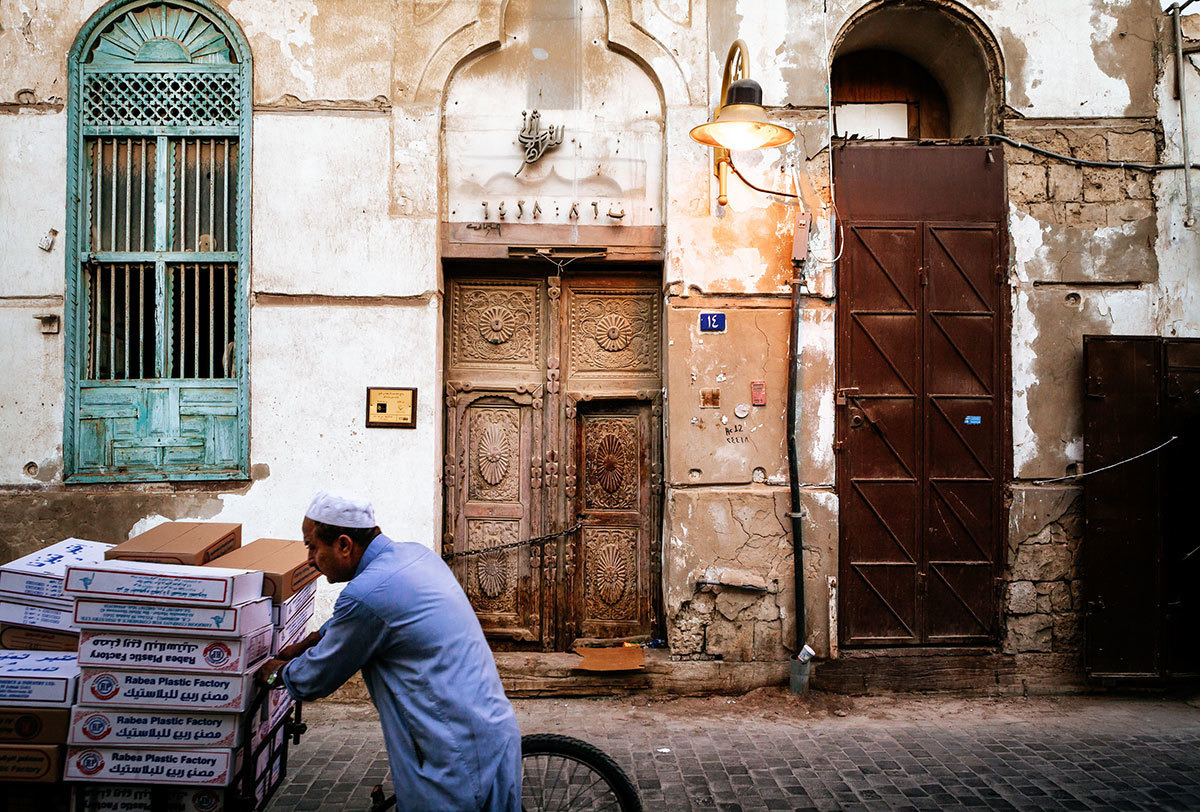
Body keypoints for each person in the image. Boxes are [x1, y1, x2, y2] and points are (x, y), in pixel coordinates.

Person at [255, 490, 521, 812]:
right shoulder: (414, 555)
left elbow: (316, 677)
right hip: (488, 727)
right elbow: (348, 626)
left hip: (451, 751)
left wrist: (273, 675)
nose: (310, 559)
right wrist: (304, 643)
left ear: (344, 545)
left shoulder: (367, 594)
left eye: (312, 547)